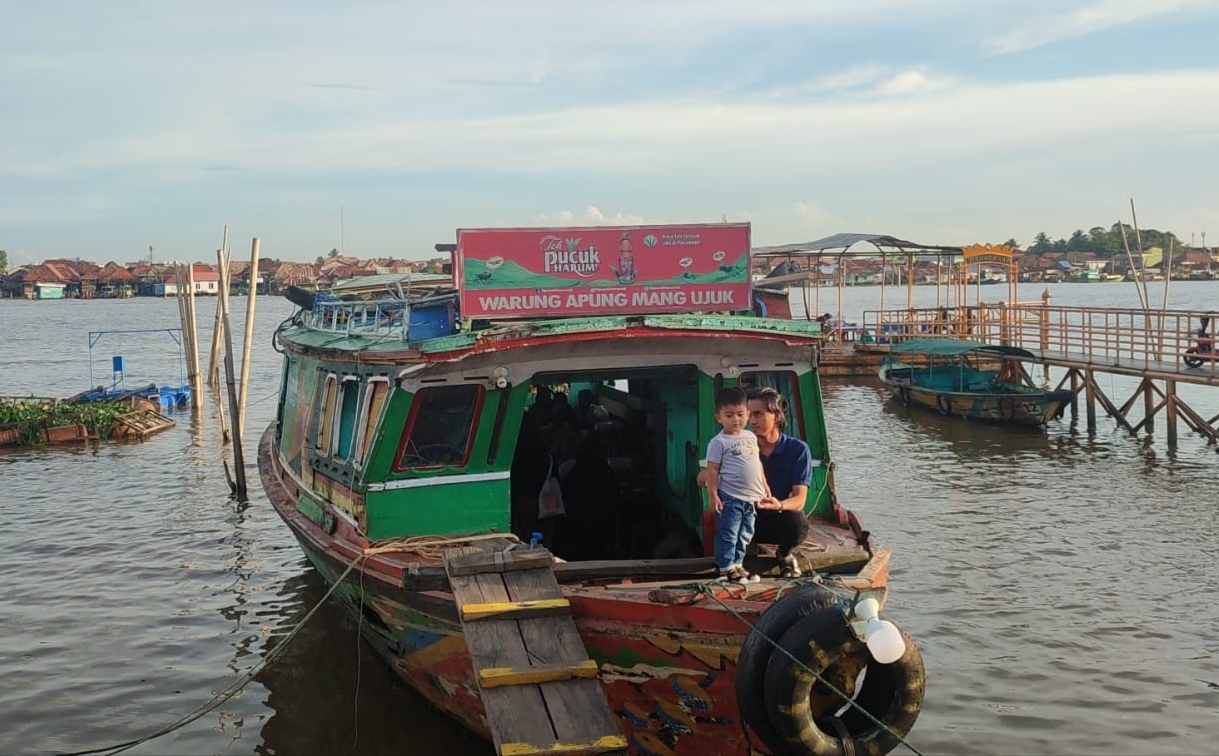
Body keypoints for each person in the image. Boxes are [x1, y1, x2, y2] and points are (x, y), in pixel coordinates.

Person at [705, 387, 770, 584]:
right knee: (729, 533)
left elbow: (756, 462)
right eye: (729, 415)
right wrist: (713, 494)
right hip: (730, 497)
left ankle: (738, 565)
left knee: (745, 533)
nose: (736, 420)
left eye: (740, 415)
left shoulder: (750, 437)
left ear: (748, 415)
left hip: (751, 498)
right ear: (718, 417)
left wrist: (764, 484)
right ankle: (726, 568)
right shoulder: (718, 443)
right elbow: (713, 470)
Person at [747, 387, 813, 578]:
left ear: (776, 416)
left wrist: (779, 505)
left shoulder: (797, 449)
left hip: (778, 515)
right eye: (749, 415)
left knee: (797, 522)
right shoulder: (743, 448)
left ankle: (783, 554)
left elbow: (800, 499)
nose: (752, 421)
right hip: (748, 517)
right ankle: (746, 548)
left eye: (758, 414)